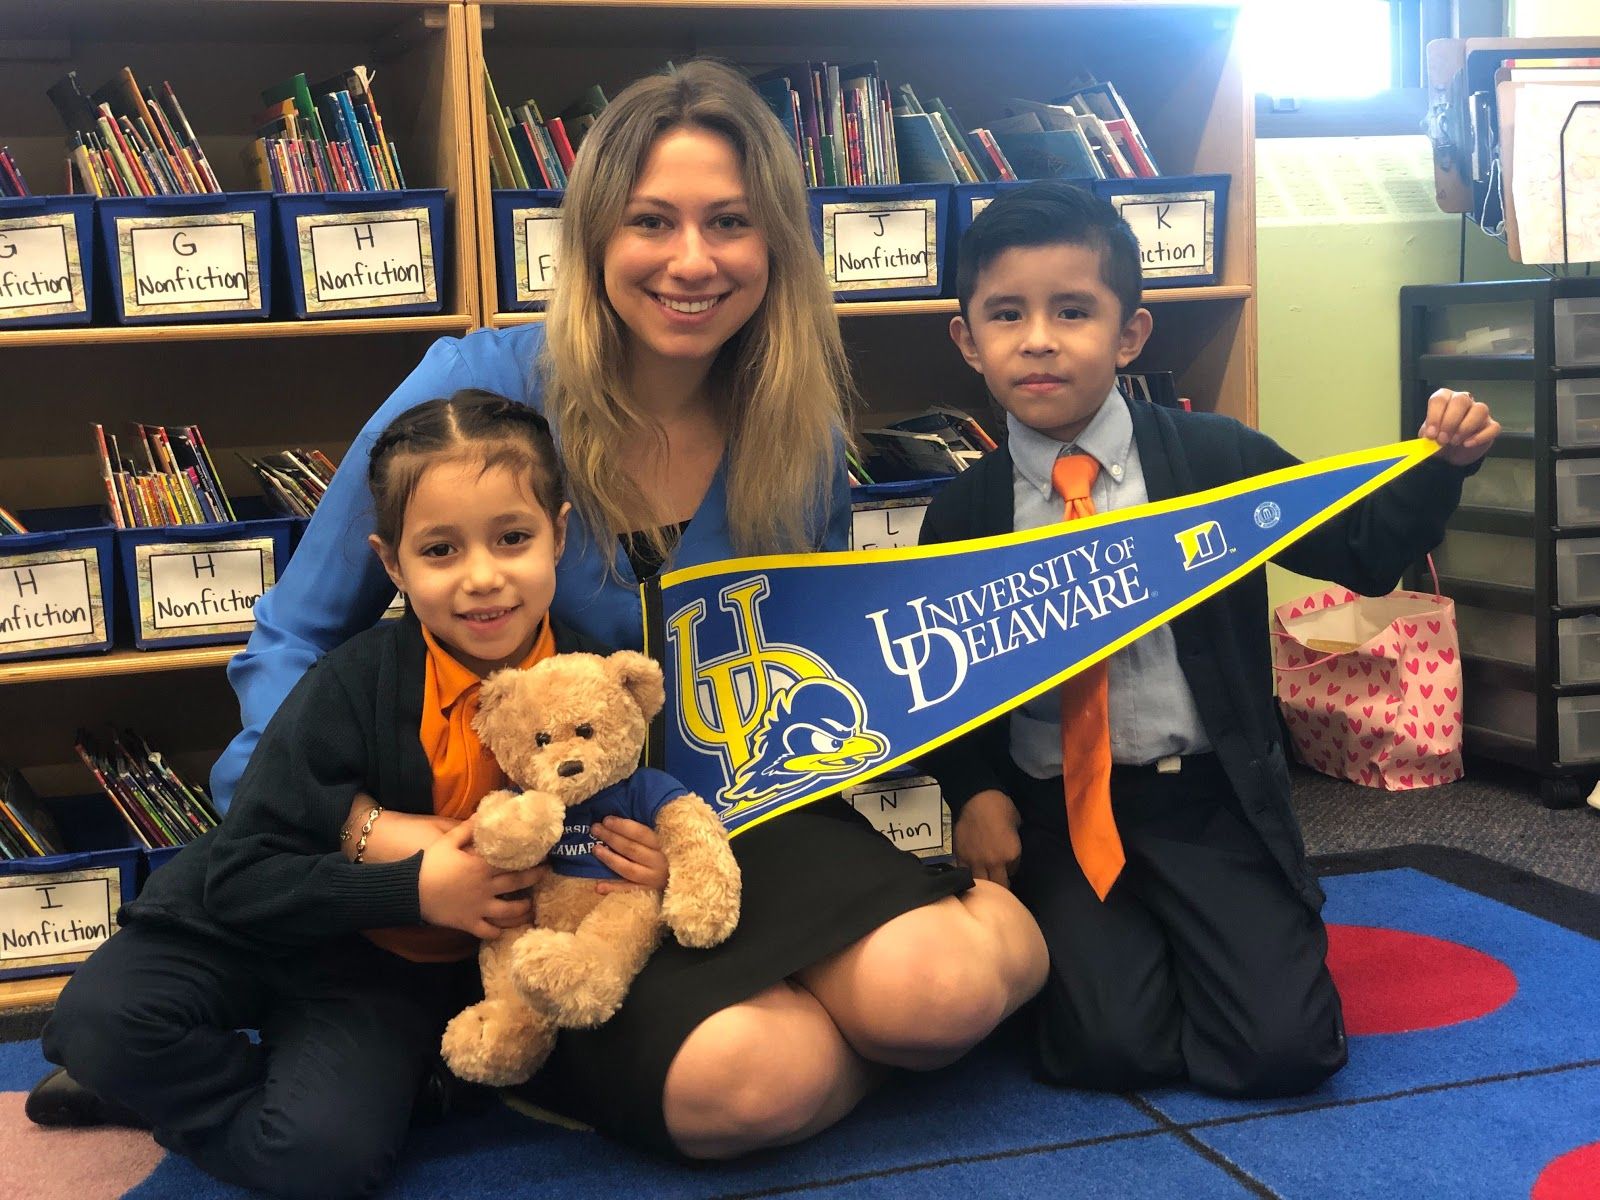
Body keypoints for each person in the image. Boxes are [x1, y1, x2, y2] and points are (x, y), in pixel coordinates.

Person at [40, 60, 1049, 1164]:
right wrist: (369, 831)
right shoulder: (475, 392)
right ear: (592, 239)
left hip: (727, 824)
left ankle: (907, 986)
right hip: (541, 865)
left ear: (777, 249)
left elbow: (802, 665)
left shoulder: (796, 423)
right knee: (752, 1085)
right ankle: (757, 1042)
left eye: (730, 223)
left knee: (938, 995)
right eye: (650, 221)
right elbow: (294, 635)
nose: (692, 260)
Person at [918, 180, 1499, 1099]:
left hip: (1209, 804)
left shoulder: (1215, 463)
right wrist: (976, 793)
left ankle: (1229, 942)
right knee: (1108, 1053)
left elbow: (1361, 551)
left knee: (1282, 1054)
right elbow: (945, 680)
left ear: (1130, 334)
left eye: (1073, 310)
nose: (1038, 338)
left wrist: (1441, 465)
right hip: (1060, 816)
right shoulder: (964, 512)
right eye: (1005, 314)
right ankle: (1124, 956)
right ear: (967, 341)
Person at [31, 391, 664, 1198]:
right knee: (98, 1023)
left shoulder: (598, 688)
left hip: (379, 979)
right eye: (440, 550)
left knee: (322, 1158)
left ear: (559, 536)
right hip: (251, 922)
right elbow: (240, 871)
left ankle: (239, 1088)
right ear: (392, 564)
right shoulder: (352, 683)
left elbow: (635, 815)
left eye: (513, 538)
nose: (482, 578)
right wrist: (417, 887)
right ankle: (147, 1077)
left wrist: (645, 860)